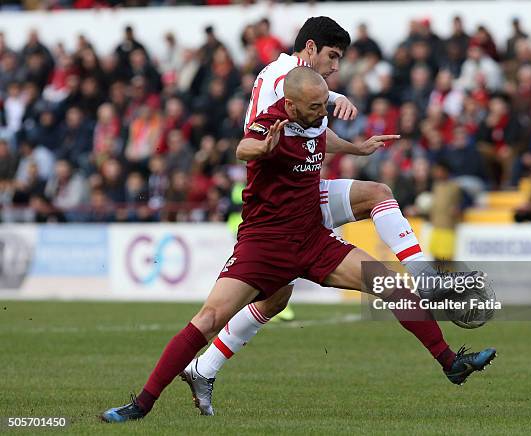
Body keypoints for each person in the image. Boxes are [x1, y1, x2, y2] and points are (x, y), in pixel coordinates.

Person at [100, 67, 497, 423]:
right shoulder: (269, 122)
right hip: (265, 245)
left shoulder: (314, 119)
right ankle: (143, 404)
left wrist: (357, 148)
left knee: (388, 283)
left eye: (325, 103)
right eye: (313, 106)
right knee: (208, 319)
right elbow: (243, 148)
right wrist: (263, 149)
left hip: (312, 239)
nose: (321, 111)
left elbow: (321, 137)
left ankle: (450, 362)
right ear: (289, 104)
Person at [182, 16, 485, 416]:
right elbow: (270, 130)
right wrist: (334, 97)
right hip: (281, 203)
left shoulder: (288, 79)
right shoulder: (285, 77)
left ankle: (203, 369)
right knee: (271, 299)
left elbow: (314, 135)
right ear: (309, 48)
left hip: (301, 193)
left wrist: (356, 149)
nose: (335, 66)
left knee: (373, 200)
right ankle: (201, 368)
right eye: (332, 56)